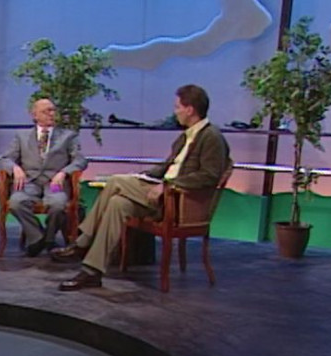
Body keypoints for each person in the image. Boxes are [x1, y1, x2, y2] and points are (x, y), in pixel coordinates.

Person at [52, 84, 230, 290]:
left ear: (190, 109)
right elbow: (167, 167)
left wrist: (169, 185)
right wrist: (142, 176)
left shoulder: (212, 137)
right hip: (158, 196)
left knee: (116, 181)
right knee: (117, 203)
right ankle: (92, 272)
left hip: (176, 201)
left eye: (178, 107)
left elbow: (209, 176)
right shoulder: (185, 137)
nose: (175, 112)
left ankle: (82, 243)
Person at [0, 98, 88, 256]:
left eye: (53, 110)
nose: (51, 114)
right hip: (29, 182)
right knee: (16, 203)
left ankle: (48, 238)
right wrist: (15, 168)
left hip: (54, 183)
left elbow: (80, 160)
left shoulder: (68, 136)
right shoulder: (21, 136)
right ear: (35, 115)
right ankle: (38, 237)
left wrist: (64, 172)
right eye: (46, 111)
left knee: (58, 205)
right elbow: (6, 158)